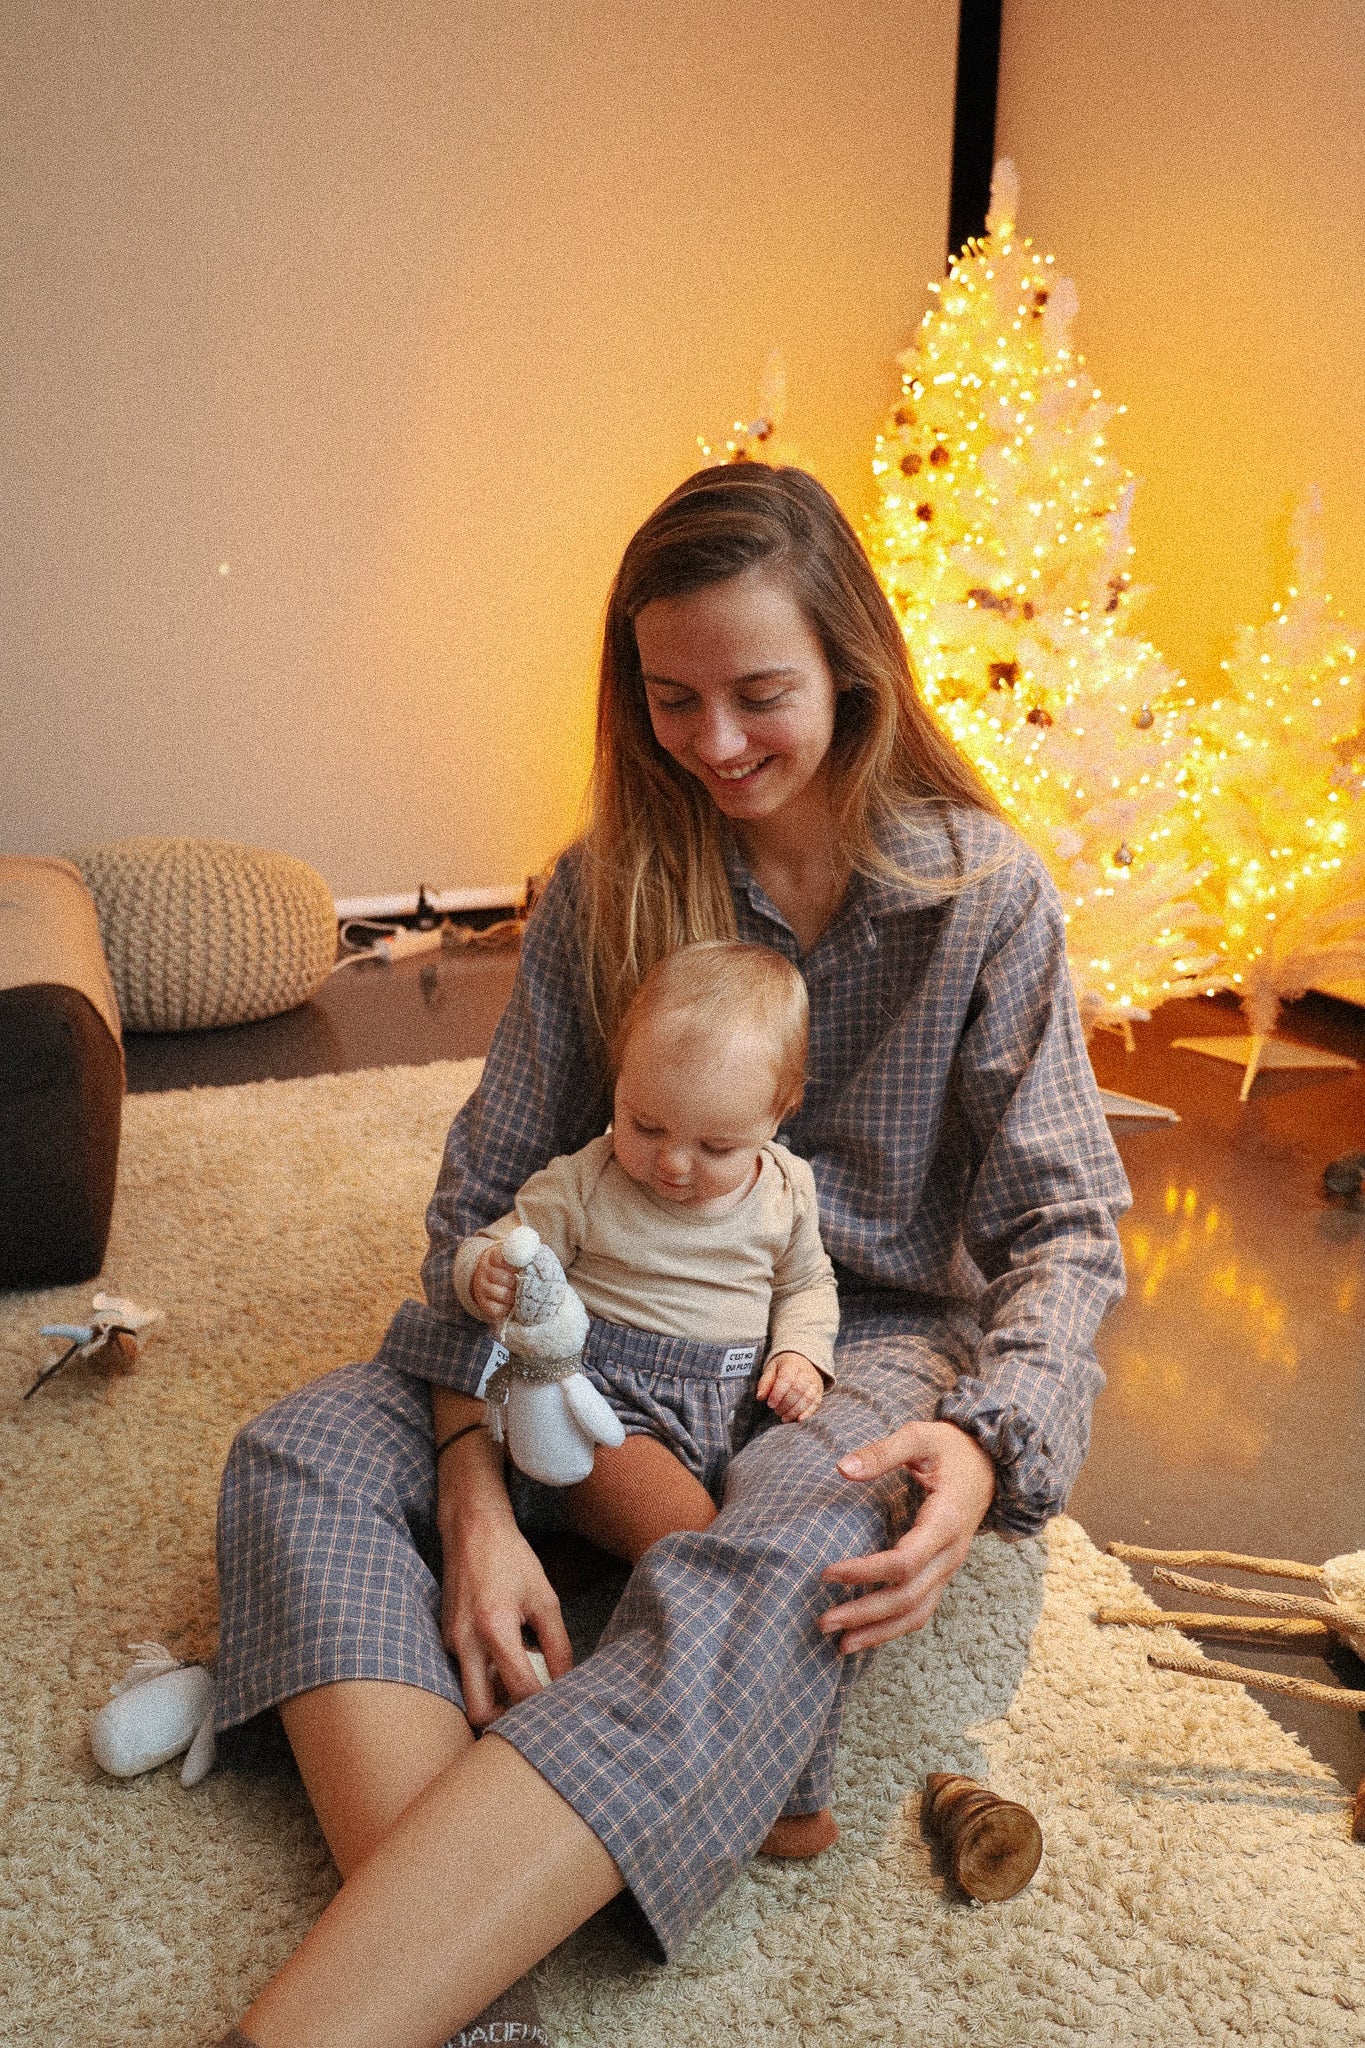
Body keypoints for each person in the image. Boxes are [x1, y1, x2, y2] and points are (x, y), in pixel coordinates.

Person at [213, 462, 1130, 2048]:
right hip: (593, 1329)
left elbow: (1063, 1223)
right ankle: (467, 2013)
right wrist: (473, 1488)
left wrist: (990, 1443)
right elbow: (482, 1206)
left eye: (759, 695)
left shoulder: (985, 897)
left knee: (786, 1562)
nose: (713, 743)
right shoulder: (601, 889)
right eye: (671, 699)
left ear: (851, 667)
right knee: (297, 1455)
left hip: (853, 1342)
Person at [458, 938, 838, 1579]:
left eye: (716, 1146)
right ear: (621, 1082)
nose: (674, 1164)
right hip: (605, 1403)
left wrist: (800, 1352)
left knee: (805, 1518)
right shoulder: (587, 1181)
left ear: (779, 1113)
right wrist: (482, 1272)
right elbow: (502, 1242)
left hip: (736, 1407)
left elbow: (806, 1284)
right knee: (688, 1535)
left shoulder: (788, 1189)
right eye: (646, 1126)